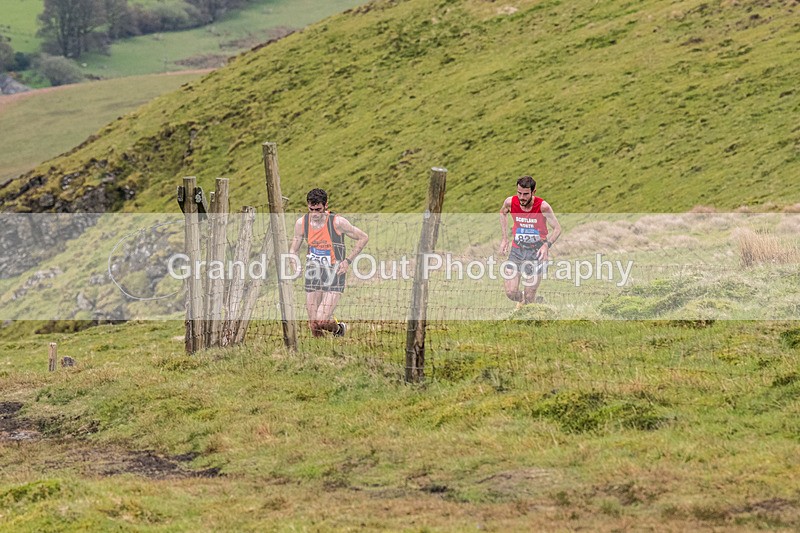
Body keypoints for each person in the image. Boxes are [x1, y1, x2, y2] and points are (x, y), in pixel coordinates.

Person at [289, 188, 369, 337]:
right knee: (314, 325)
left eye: (318, 209)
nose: (315, 214)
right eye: (311, 209)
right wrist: (296, 265)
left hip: (334, 274)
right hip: (313, 273)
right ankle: (320, 355)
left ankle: (339, 329)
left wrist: (347, 261)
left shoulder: (337, 222)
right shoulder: (302, 223)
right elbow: (293, 250)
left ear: (326, 205)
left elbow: (363, 237)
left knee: (321, 320)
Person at [499, 176, 562, 306]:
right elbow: (502, 213)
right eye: (519, 193)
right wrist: (504, 239)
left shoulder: (543, 207)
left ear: (533, 192)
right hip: (517, 250)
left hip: (537, 252)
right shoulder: (510, 202)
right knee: (511, 292)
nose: (522, 197)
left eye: (526, 194)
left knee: (529, 296)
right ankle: (523, 301)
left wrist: (546, 246)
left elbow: (557, 229)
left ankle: (530, 310)